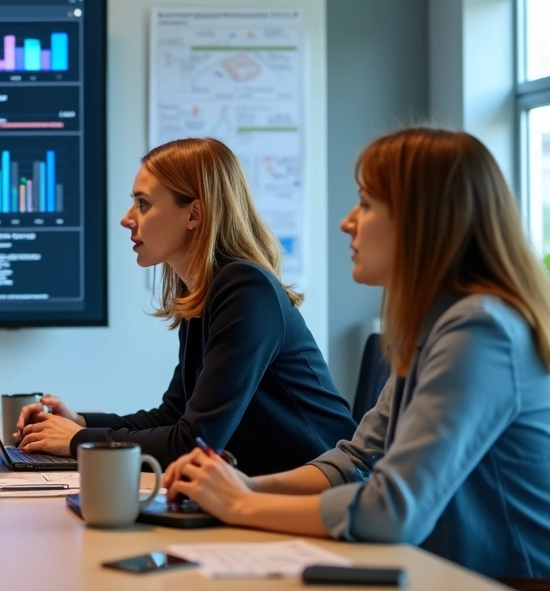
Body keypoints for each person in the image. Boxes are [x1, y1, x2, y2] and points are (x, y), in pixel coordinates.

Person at [164, 128, 550, 579]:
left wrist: (241, 504)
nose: (348, 222)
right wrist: (246, 485)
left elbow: (391, 509)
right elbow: (356, 459)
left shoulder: (481, 331)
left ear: (421, 221)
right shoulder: (434, 328)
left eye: (366, 204)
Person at [16, 138, 357, 475]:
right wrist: (80, 422)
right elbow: (174, 415)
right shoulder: (207, 291)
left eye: (143, 204)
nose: (126, 219)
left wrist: (80, 440)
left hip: (319, 492)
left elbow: (195, 442)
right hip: (264, 488)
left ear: (194, 214)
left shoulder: (244, 289)